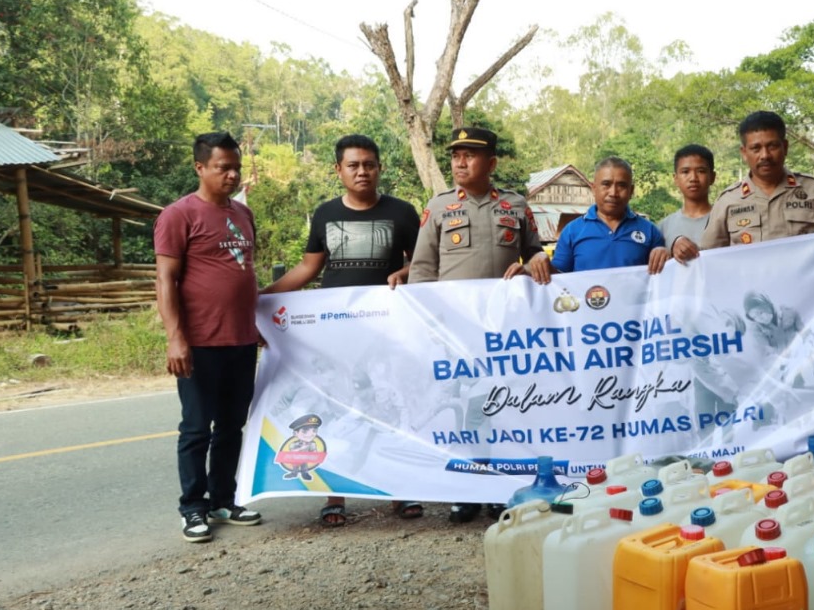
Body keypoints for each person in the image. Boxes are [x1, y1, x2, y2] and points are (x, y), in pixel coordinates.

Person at [263, 134, 422, 526]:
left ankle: (399, 491)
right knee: (337, 407)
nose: (362, 171)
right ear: (338, 170)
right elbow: (308, 269)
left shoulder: (403, 213)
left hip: (388, 330)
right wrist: (260, 299)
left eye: (369, 164)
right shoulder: (324, 214)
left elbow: (423, 265)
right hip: (334, 333)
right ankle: (334, 493)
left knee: (388, 403)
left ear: (379, 167)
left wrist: (405, 272)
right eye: (353, 165)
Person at [409, 126, 548, 523]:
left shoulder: (516, 205)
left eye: (470, 155)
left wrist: (533, 263)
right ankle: (468, 488)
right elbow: (422, 270)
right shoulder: (438, 208)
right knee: (463, 409)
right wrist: (429, 325)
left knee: (503, 406)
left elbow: (535, 253)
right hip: (456, 329)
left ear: (491, 163)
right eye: (455, 155)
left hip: (506, 329)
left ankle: (501, 487)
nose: (459, 162)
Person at [154, 132, 263, 543]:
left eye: (235, 167)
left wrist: (258, 327)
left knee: (233, 426)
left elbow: (245, 275)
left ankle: (223, 499)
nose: (232, 175)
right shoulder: (179, 215)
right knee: (197, 427)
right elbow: (166, 279)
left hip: (240, 340)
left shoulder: (242, 214)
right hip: (199, 341)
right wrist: (175, 337)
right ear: (200, 167)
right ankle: (192, 508)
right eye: (223, 168)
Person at [698, 111, 814, 251]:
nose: (765, 155)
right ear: (744, 153)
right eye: (756, 148)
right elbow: (708, 257)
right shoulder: (727, 201)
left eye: (772, 146)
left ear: (785, 147)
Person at [539, 157, 668, 274]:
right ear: (594, 188)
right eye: (606, 184)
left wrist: (668, 255)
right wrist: (539, 265)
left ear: (631, 191)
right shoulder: (572, 232)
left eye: (622, 185)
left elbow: (663, 278)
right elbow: (558, 279)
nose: (613, 193)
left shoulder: (650, 231)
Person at [661, 144, 715, 263]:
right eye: (685, 172)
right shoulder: (663, 227)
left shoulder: (725, 219)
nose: (693, 178)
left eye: (701, 171)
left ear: (712, 177)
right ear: (675, 179)